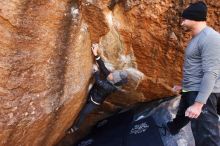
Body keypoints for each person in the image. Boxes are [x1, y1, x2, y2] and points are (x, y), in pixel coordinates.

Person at [165, 1, 220, 146]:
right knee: (183, 114)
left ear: (195, 17)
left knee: (207, 137)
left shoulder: (211, 38)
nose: (181, 19)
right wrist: (183, 86)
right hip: (191, 90)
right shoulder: (197, 38)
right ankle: (172, 128)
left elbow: (211, 73)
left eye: (185, 17)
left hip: (204, 96)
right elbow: (196, 68)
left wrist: (198, 104)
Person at [70, 44, 128, 132]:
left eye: (113, 75)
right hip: (94, 93)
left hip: (94, 102)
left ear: (115, 81)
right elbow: (103, 67)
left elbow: (99, 83)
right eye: (113, 73)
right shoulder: (111, 78)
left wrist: (96, 72)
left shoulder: (111, 88)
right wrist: (95, 53)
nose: (111, 73)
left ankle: (75, 127)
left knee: (83, 113)